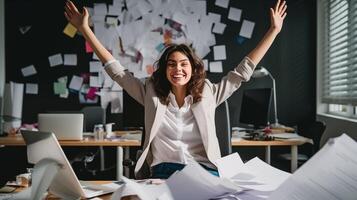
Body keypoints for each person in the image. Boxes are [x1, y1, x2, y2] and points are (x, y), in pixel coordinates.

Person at [64, 0, 287, 179]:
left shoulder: (208, 92)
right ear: (165, 69)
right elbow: (117, 72)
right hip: (164, 172)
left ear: (193, 69)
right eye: (172, 64)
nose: (177, 69)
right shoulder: (150, 92)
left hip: (204, 171)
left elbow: (242, 72)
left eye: (183, 64)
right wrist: (84, 29)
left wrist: (274, 31)